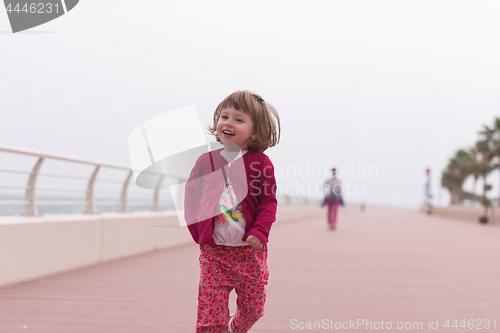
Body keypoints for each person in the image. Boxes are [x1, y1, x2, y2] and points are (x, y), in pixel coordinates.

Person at [184, 91, 280, 333]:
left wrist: (260, 230)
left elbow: (268, 201)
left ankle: (232, 329)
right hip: (214, 253)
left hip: (248, 253)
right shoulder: (206, 161)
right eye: (224, 116)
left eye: (239, 119)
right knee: (209, 316)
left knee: (253, 310)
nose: (228, 122)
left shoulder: (261, 163)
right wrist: (197, 230)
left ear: (255, 131)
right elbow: (192, 195)